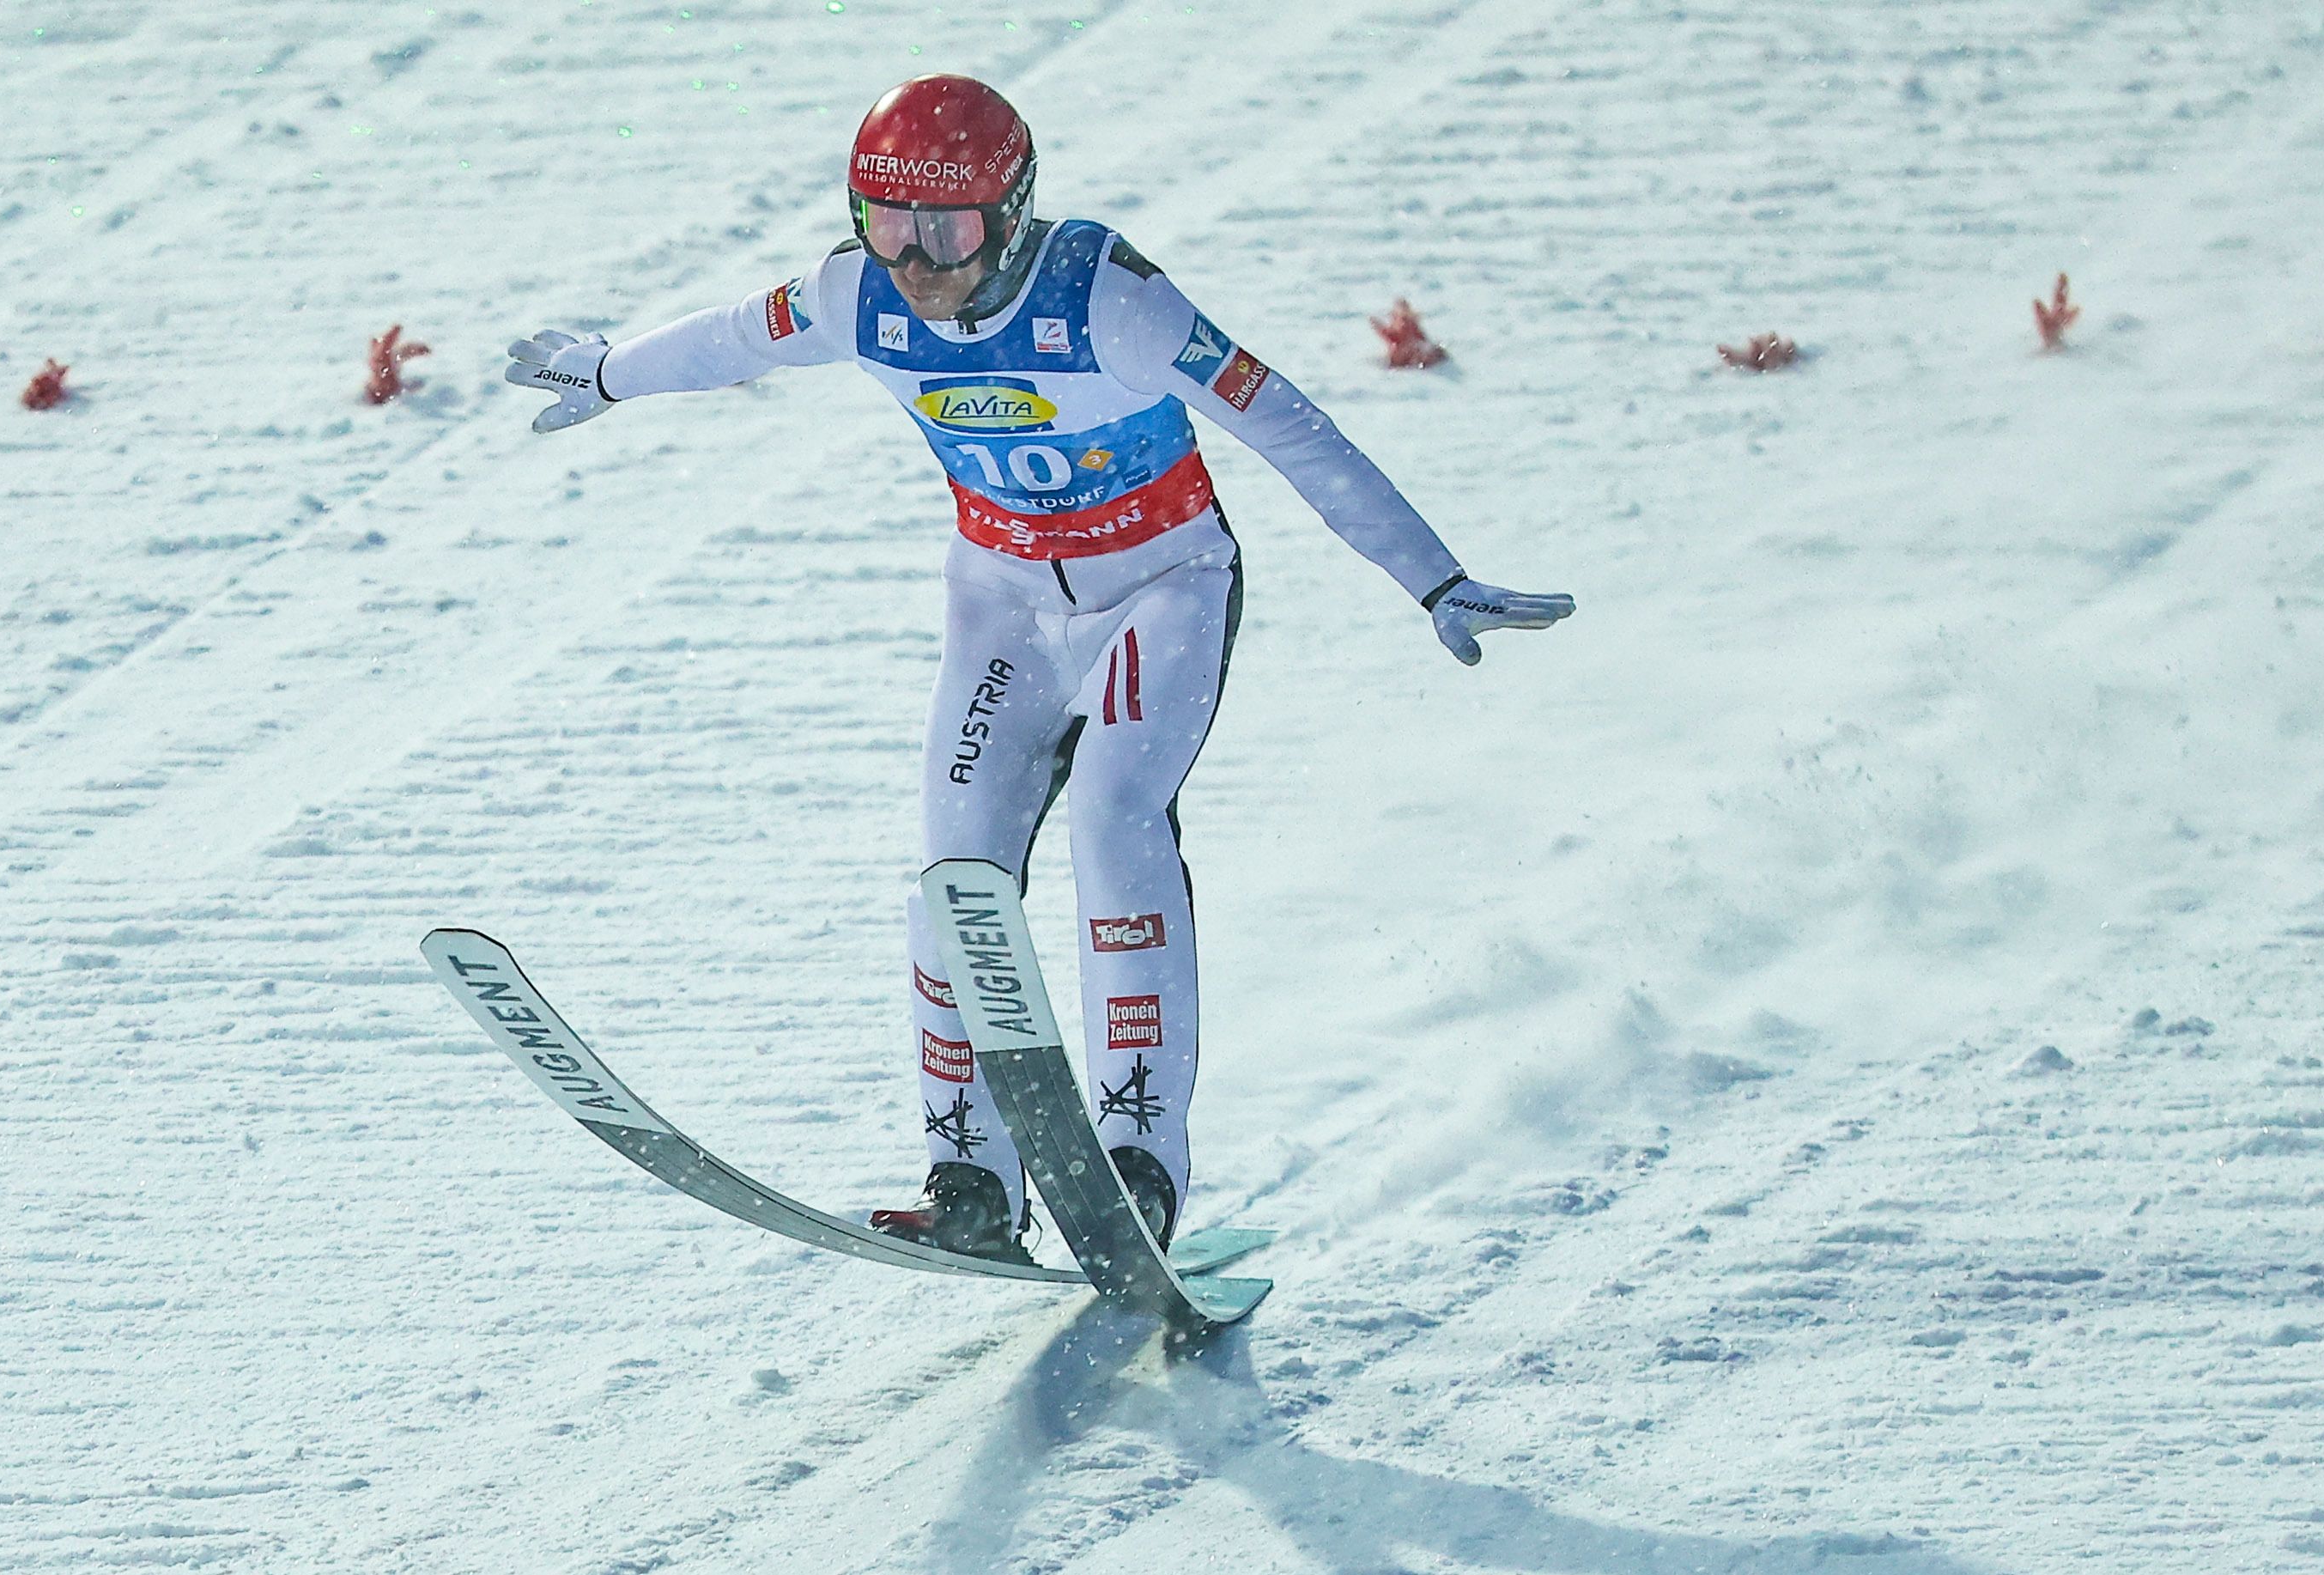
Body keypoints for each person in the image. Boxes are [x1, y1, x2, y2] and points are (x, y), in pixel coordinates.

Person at [506, 74, 1573, 1262]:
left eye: (945, 229)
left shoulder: (1113, 304)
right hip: (1004, 601)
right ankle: (970, 1176)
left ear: (1009, 214)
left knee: (1115, 829)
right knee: (953, 881)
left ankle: (1137, 1166)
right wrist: (606, 372)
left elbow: (1288, 425)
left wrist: (1431, 574)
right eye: (884, 222)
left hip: (1159, 592)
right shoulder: (858, 296)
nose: (913, 260)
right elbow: (725, 340)